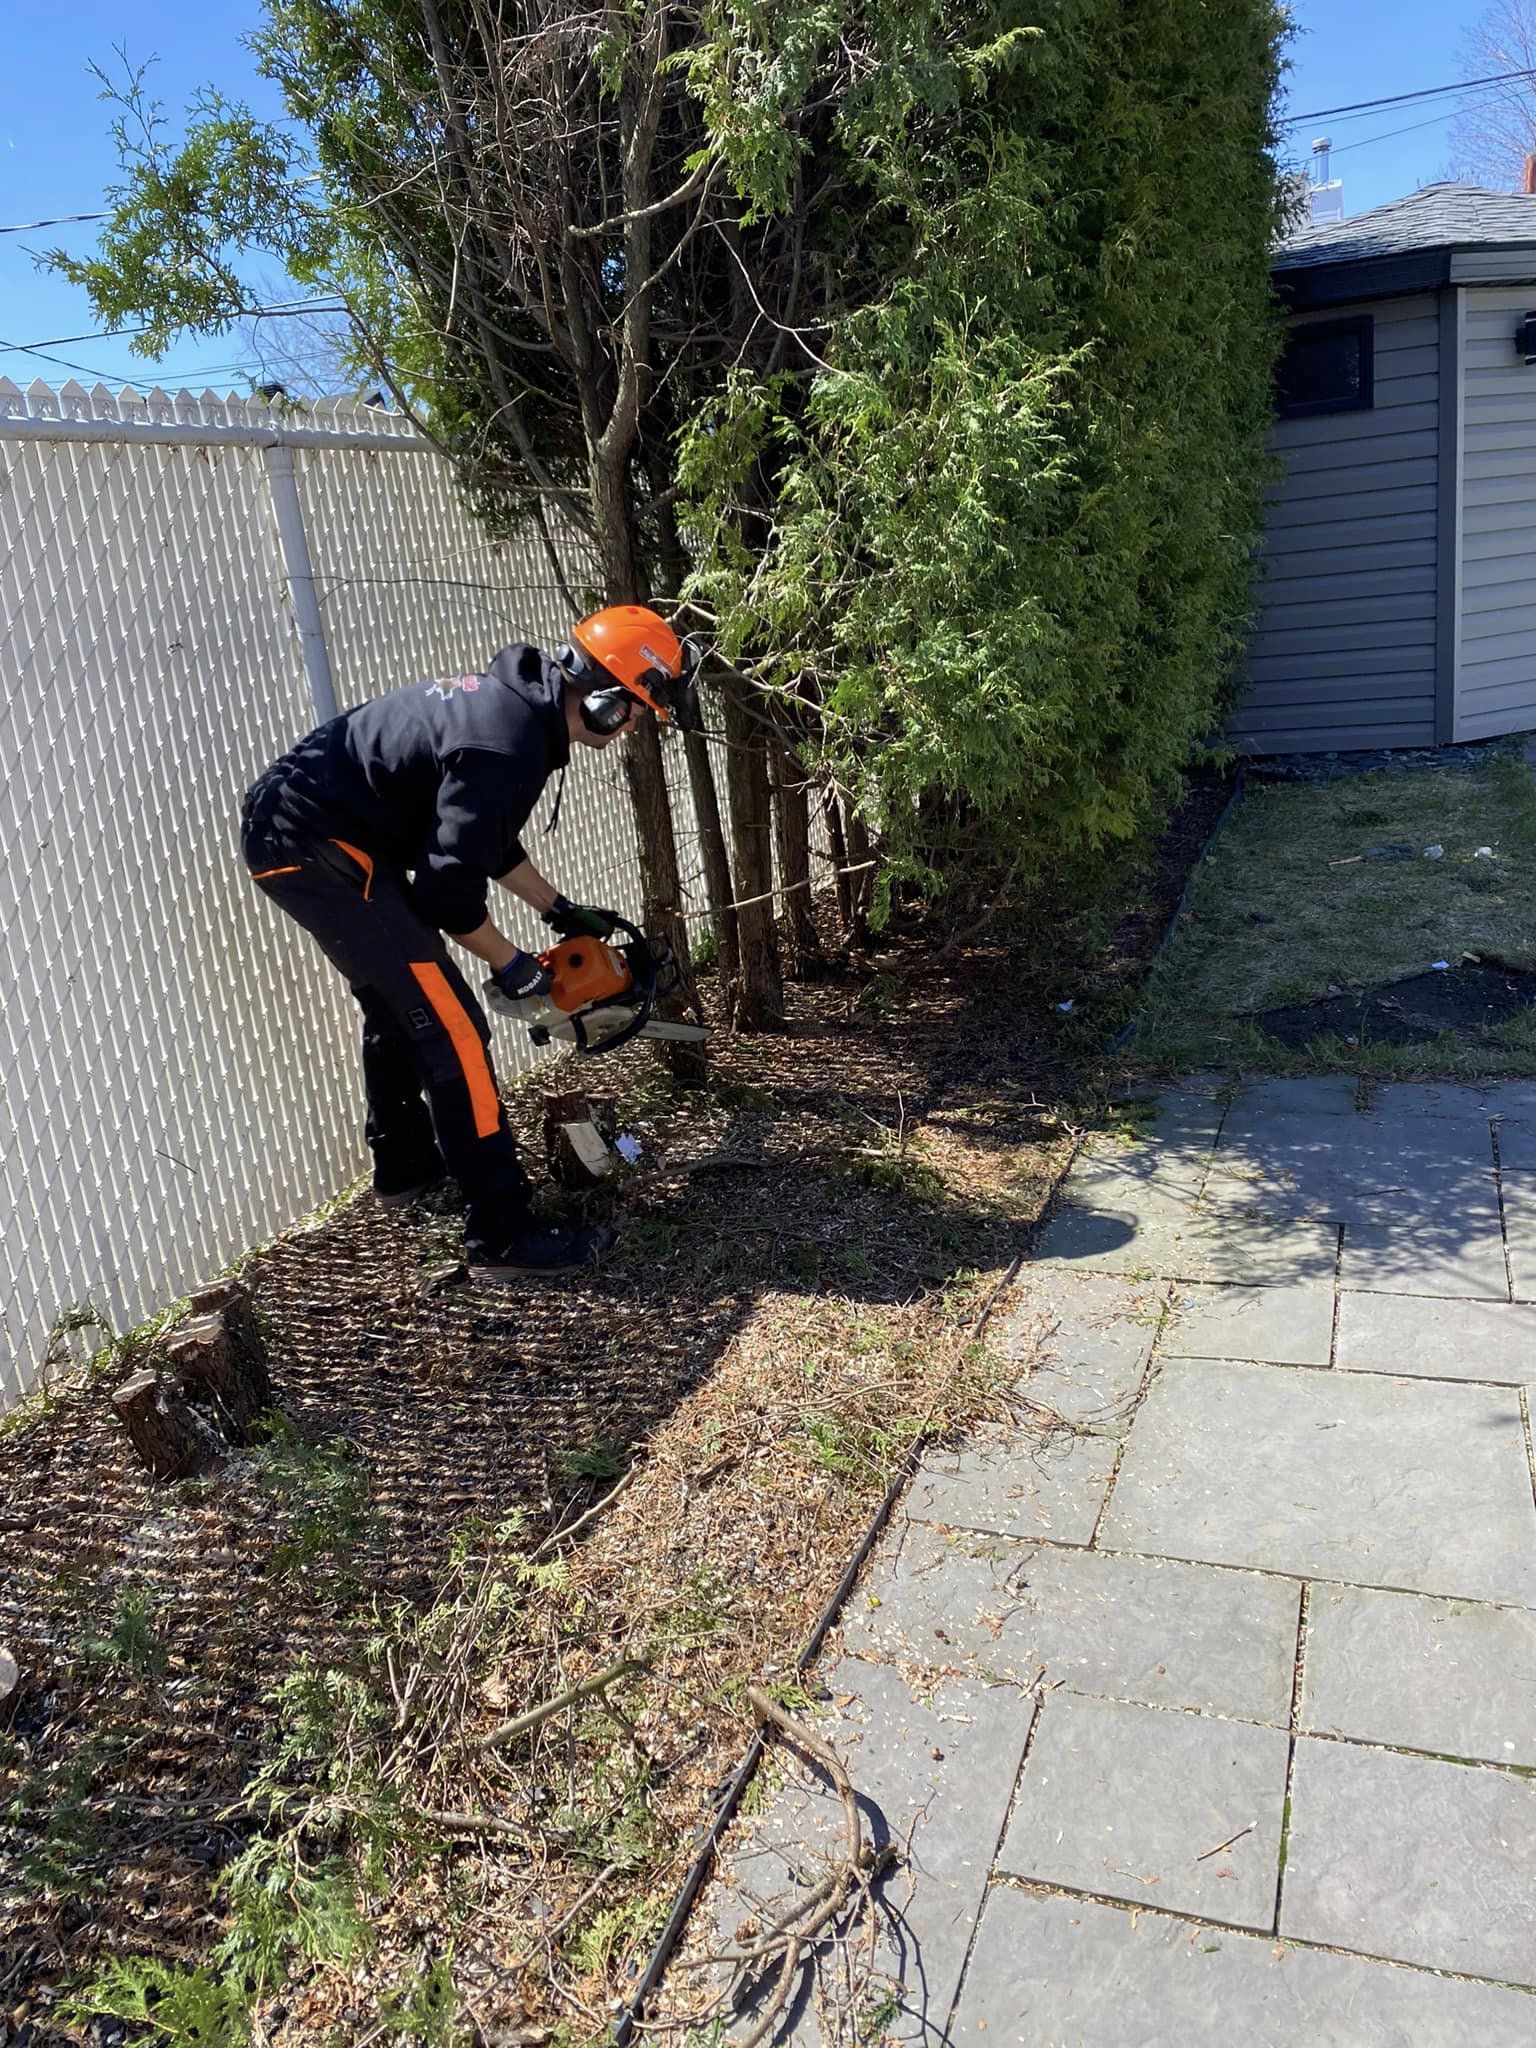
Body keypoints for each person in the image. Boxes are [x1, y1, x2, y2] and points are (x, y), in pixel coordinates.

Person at [240, 604, 700, 1283]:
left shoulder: (516, 715)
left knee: (401, 1003)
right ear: (604, 700)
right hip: (309, 843)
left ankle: (406, 1168)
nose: (633, 726)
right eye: (635, 711)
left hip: (309, 834)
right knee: (453, 1028)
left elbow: (482, 839)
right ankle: (502, 1235)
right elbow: (447, 894)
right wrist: (512, 965)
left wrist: (558, 910)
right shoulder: (508, 741)